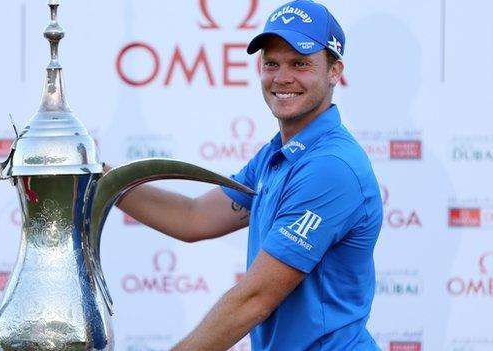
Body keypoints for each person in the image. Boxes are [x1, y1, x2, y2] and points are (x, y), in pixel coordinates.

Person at [109, 1, 383, 349]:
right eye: (272, 63)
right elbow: (193, 218)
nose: (282, 78)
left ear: (334, 71)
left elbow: (254, 299)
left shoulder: (330, 167)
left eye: (300, 63)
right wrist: (99, 180)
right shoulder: (278, 155)